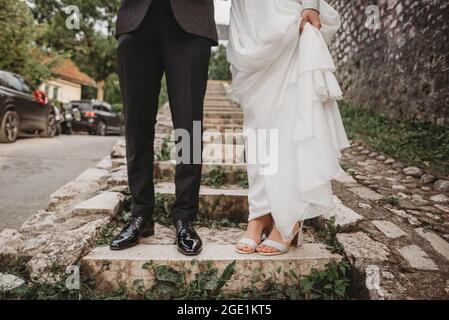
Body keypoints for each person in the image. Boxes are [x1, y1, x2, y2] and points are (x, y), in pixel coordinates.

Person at [228, 0, 350, 255]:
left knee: (288, 115)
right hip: (248, 19)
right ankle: (260, 212)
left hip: (284, 13)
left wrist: (312, 4)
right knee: (257, 124)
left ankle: (290, 216)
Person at [109, 0, 217, 256]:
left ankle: (184, 216)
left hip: (191, 21)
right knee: (136, 124)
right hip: (137, 19)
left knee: (188, 128)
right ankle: (141, 214)